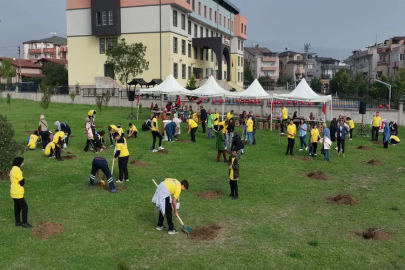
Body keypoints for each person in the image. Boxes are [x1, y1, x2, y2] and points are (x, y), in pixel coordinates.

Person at [10, 157, 32, 228]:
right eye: (22, 162)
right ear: (19, 163)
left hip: (13, 191)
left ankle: (18, 222)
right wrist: (23, 180)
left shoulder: (13, 169)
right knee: (24, 207)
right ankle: (24, 223)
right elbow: (22, 182)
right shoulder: (17, 170)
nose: (23, 163)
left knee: (17, 207)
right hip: (17, 192)